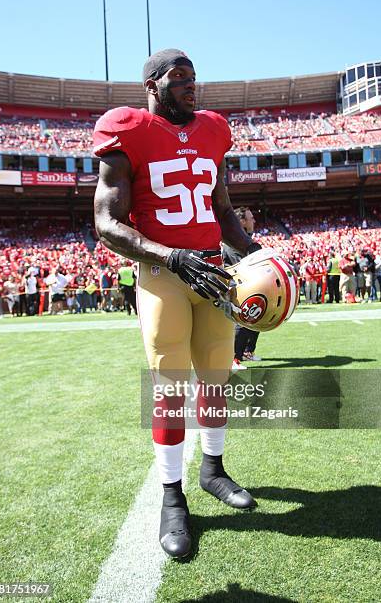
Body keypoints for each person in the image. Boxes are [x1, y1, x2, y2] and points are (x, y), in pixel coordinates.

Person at [93, 48, 262, 559]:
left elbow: (224, 210)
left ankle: (212, 469)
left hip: (212, 267)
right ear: (152, 84)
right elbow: (106, 223)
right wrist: (173, 256)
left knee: (215, 377)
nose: (192, 85)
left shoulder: (213, 130)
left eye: (194, 77)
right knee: (169, 388)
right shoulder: (126, 128)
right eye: (179, 77)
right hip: (164, 270)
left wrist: (259, 259)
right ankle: (172, 497)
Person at [222, 208, 261, 370]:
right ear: (242, 222)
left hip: (248, 285)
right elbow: (244, 266)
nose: (254, 221)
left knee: (256, 317)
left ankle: (246, 351)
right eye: (251, 218)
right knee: (243, 320)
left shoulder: (247, 240)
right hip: (237, 287)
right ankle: (233, 359)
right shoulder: (234, 242)